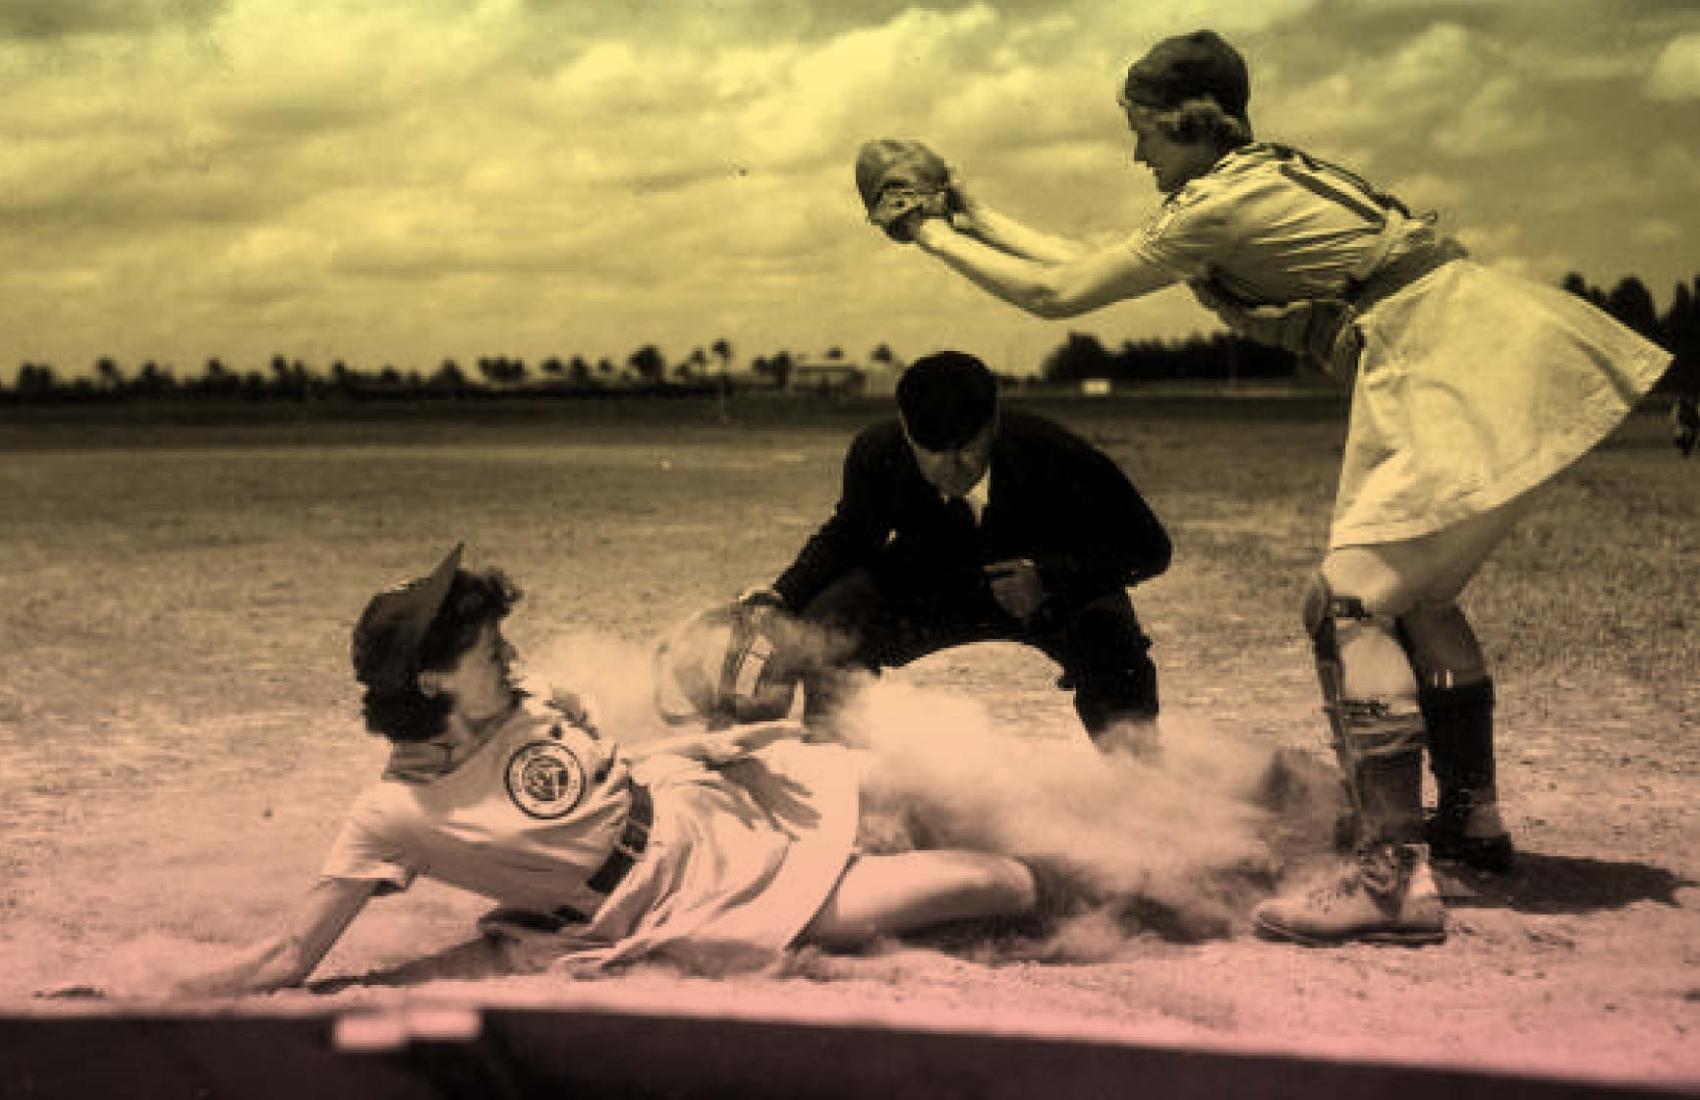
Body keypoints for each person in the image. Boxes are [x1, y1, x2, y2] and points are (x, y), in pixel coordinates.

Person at [880, 31, 1671, 945]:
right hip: (1488, 342)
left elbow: (1060, 292)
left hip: (1447, 360)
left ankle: (1389, 877)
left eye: (1143, 131)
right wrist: (975, 210)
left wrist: (928, 233)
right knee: (1414, 596)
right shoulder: (1252, 180)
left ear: (1188, 122)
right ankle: (1470, 821)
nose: (1136, 153)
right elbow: (1084, 258)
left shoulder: (1217, 205)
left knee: (1348, 605)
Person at [172, 546, 1036, 995]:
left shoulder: (523, 693)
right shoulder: (393, 814)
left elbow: (611, 754)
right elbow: (290, 956)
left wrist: (706, 720)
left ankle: (1130, 861)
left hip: (710, 802)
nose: (508, 651)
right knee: (1000, 884)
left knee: (934, 790)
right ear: (431, 680)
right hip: (689, 901)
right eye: (486, 647)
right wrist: (133, 1003)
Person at [744, 349, 1172, 748]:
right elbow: (851, 536)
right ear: (905, 429)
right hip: (934, 584)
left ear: (993, 423)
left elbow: (1150, 547)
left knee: (1109, 632)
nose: (951, 468)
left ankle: (1137, 777)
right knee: (829, 621)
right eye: (931, 452)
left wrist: (1051, 579)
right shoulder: (878, 452)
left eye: (967, 449)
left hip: (1045, 592)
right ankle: (837, 763)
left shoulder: (1054, 453)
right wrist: (783, 594)